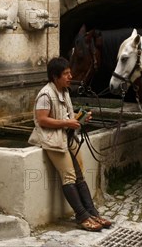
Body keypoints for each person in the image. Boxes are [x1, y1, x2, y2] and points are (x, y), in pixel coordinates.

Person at [29, 57, 112, 232]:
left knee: (80, 176)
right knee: (69, 177)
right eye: (66, 73)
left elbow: (66, 115)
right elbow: (42, 119)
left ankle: (92, 212)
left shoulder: (64, 91)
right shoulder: (45, 94)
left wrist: (79, 118)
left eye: (69, 72)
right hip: (53, 141)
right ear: (55, 76)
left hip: (68, 137)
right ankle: (82, 216)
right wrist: (67, 123)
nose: (70, 76)